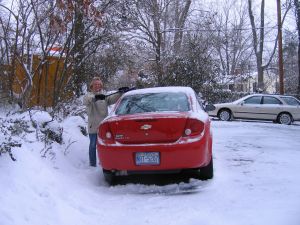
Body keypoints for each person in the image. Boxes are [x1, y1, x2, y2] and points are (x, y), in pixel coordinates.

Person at [83, 77, 129, 167]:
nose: (98, 86)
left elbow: (112, 98)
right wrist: (95, 98)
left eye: (99, 84)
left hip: (103, 126)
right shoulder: (88, 95)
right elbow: (87, 100)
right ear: (92, 86)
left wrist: (121, 93)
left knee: (104, 146)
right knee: (93, 145)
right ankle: (92, 164)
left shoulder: (104, 96)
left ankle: (104, 162)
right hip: (93, 126)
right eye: (96, 84)